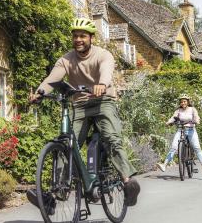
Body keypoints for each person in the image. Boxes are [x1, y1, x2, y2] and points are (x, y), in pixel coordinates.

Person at [29, 18, 140, 206]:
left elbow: (106, 71)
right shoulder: (66, 59)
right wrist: (40, 93)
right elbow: (52, 79)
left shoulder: (103, 55)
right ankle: (55, 195)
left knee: (111, 137)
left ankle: (128, 181)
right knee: (67, 145)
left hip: (102, 101)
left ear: (91, 38)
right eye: (75, 36)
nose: (78, 39)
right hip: (79, 104)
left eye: (82, 36)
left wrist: (102, 85)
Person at [156, 94, 202, 173]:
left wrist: (197, 120)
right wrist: (168, 122)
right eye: (181, 102)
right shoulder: (178, 110)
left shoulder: (192, 109)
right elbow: (173, 117)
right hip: (181, 130)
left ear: (188, 102)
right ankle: (164, 165)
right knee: (174, 147)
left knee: (197, 148)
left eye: (184, 101)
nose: (183, 103)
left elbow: (196, 116)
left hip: (191, 130)